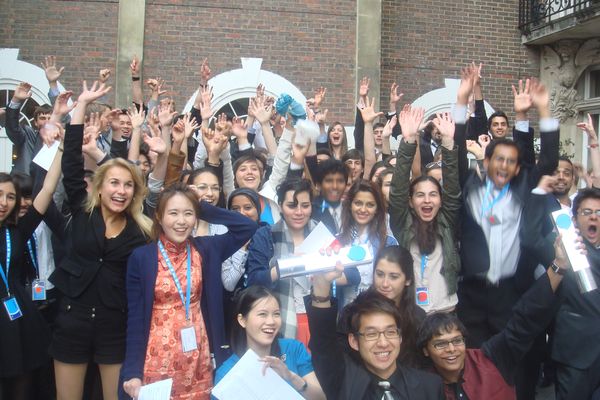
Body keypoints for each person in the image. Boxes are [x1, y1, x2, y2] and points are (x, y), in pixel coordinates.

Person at [48, 81, 153, 400]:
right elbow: (70, 165)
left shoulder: (141, 230)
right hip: (72, 318)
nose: (120, 191)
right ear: (100, 186)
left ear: (135, 191)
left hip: (114, 325)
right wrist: (80, 106)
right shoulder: (83, 210)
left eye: (128, 185)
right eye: (114, 183)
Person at [120, 183, 257, 399]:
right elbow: (136, 318)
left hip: (198, 358)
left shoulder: (206, 249)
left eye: (188, 213)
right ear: (159, 217)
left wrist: (202, 206)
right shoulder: (142, 257)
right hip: (155, 359)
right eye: (173, 213)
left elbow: (246, 227)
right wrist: (132, 372)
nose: (181, 221)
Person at [417, 235, 574, 400]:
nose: (451, 349)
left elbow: (526, 318)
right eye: (441, 344)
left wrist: (559, 266)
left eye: (457, 341)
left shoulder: (491, 359)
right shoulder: (420, 387)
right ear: (426, 350)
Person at [307, 265, 444, 399]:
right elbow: (323, 343)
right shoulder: (342, 382)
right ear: (354, 341)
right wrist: (321, 285)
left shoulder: (430, 386)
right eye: (371, 334)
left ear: (400, 336)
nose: (383, 343)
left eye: (390, 332)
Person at [0, 119, 62, 399]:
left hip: (16, 313)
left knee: (22, 382)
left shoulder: (17, 230)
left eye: (10, 197)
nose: (4, 202)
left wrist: (60, 148)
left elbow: (46, 189)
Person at [389, 107, 461, 314]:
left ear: (441, 200)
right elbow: (398, 190)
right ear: (411, 202)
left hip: (445, 310)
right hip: (410, 312)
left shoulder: (446, 221)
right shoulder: (403, 223)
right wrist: (409, 140)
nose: (427, 200)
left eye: (433, 195)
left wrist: (448, 143)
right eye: (420, 195)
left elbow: (453, 189)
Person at [215, 286, 325, 399]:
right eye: (262, 314)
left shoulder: (293, 349)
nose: (271, 321)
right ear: (242, 320)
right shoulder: (227, 374)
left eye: (276, 314)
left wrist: (291, 377)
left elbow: (321, 398)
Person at [337, 179, 397, 304]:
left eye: (370, 205)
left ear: (377, 209)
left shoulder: (388, 243)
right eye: (358, 203)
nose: (363, 209)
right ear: (350, 205)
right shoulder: (337, 241)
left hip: (378, 308)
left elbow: (394, 282)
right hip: (345, 309)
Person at [310, 159, 348, 235]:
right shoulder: (310, 211)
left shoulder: (351, 210)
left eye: (340, 181)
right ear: (318, 185)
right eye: (329, 181)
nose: (335, 186)